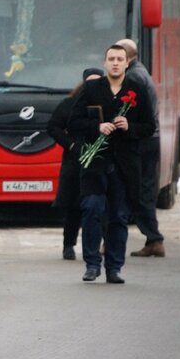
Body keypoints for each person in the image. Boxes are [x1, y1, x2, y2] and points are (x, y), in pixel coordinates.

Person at [68, 44, 155, 284]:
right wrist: (96, 127)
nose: (115, 63)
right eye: (111, 59)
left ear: (127, 63)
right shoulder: (91, 88)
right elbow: (72, 121)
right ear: (105, 63)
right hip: (95, 162)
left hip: (125, 163)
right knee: (92, 209)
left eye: (120, 59)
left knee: (118, 215)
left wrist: (130, 127)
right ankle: (92, 264)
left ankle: (114, 267)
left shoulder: (136, 89)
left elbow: (150, 127)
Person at [47, 67, 104, 260]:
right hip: (75, 161)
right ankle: (68, 244)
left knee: (98, 206)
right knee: (73, 206)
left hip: (100, 160)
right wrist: (70, 145)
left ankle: (98, 246)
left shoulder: (107, 104)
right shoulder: (70, 104)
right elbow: (53, 127)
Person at [117, 38, 166, 258]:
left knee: (134, 190)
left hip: (142, 141)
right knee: (141, 190)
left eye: (118, 57)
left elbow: (130, 110)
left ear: (128, 57)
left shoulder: (134, 77)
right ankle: (153, 239)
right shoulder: (141, 72)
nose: (114, 62)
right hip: (149, 139)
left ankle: (152, 239)